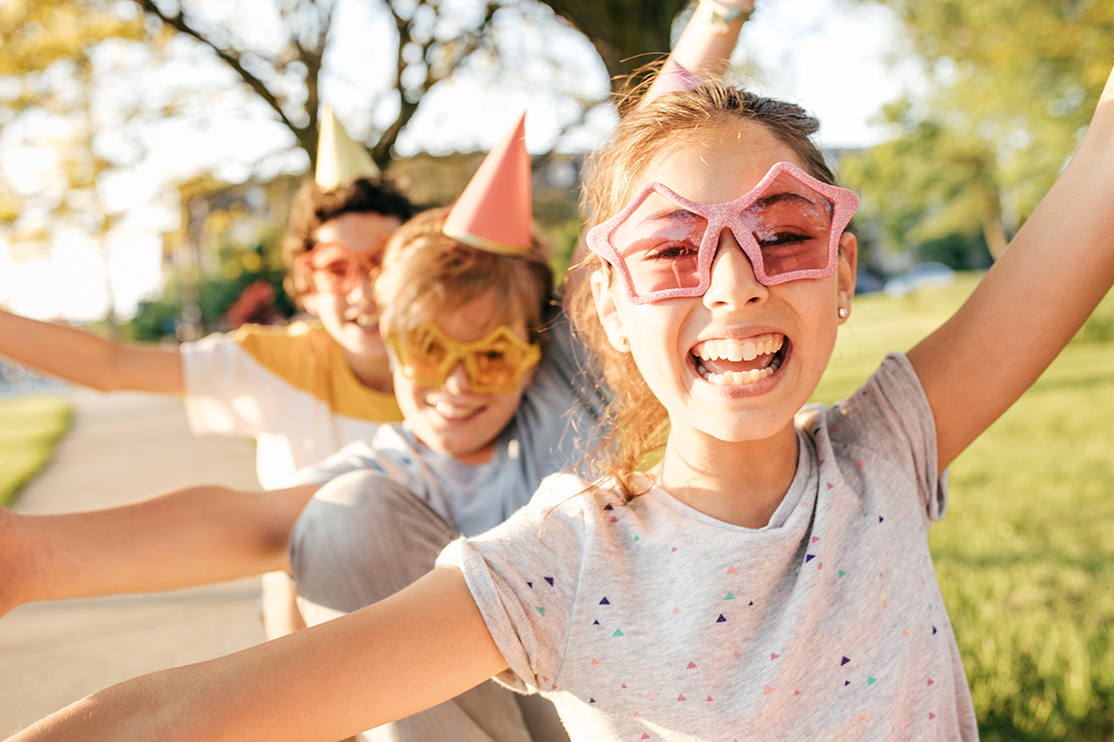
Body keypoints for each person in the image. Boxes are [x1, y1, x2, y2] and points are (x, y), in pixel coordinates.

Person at [11, 48, 1113, 740]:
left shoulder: (888, 448)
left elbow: (1095, 185)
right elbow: (180, 709)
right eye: (674, 251)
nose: (733, 284)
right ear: (610, 308)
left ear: (840, 270)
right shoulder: (559, 560)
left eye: (781, 233)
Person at [0, 108, 416, 638]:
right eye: (337, 268)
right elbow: (112, 365)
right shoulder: (278, 361)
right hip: (315, 615)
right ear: (305, 282)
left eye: (383, 262)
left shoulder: (471, 372)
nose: (364, 291)